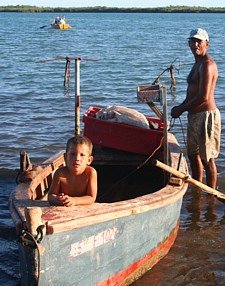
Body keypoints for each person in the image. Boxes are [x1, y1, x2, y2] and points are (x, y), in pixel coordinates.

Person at [171, 28, 221, 189]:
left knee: (208, 159)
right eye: (193, 41)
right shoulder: (197, 63)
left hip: (206, 116)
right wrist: (181, 106)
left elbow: (203, 97)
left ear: (207, 43)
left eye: (199, 41)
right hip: (193, 116)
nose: (196, 44)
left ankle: (212, 195)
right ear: (189, 43)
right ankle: (198, 190)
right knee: (193, 156)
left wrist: (181, 109)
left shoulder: (207, 64)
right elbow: (192, 93)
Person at [48, 135, 97, 206]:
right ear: (65, 157)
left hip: (83, 209)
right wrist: (58, 199)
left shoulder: (90, 173)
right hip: (64, 210)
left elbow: (91, 198)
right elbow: (50, 196)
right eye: (72, 154)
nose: (77, 158)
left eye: (82, 155)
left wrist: (75, 200)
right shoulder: (60, 174)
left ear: (89, 160)